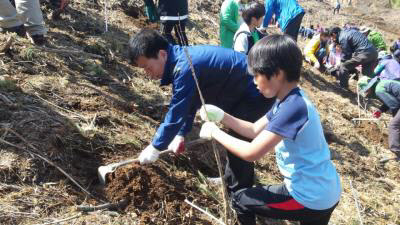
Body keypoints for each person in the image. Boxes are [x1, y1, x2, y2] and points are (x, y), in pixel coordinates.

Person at [199, 34, 341, 225]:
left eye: (257, 75)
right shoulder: (290, 99)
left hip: (307, 197)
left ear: (278, 74)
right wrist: (223, 116)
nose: (255, 81)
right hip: (325, 191)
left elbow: (251, 153)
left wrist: (215, 132)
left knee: (241, 200)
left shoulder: (293, 107)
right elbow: (254, 130)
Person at [129, 29, 275, 194]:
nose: (148, 74)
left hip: (256, 90)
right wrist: (181, 133)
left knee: (238, 139)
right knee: (235, 136)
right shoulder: (182, 61)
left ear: (162, 54)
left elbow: (177, 111)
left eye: (148, 68)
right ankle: (231, 180)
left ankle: (240, 193)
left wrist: (155, 146)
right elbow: (192, 99)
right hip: (241, 90)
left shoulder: (183, 67)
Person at [358, 75, 400, 162]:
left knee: (393, 125)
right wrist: (380, 110)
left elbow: (395, 105)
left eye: (367, 90)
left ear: (369, 87)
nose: (367, 93)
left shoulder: (378, 90)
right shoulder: (381, 84)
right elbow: (392, 100)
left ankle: (396, 152)